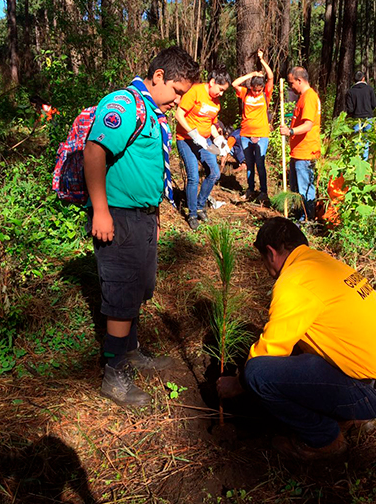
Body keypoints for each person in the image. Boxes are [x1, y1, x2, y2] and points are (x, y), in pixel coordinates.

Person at [216, 217, 376, 460]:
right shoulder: (324, 265)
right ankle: (350, 415)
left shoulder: (294, 281)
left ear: (271, 253)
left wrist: (238, 383)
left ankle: (324, 438)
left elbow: (269, 352)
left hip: (368, 393)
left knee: (257, 373)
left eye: (263, 259)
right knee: (297, 356)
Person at [84, 46, 199, 406]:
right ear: (160, 77)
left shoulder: (155, 113)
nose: (178, 101)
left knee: (137, 289)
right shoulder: (124, 104)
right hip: (117, 216)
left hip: (143, 217)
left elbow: (150, 169)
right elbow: (94, 151)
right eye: (177, 92)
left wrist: (156, 216)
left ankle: (130, 349)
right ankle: (114, 374)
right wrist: (100, 210)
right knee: (120, 294)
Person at [175, 67, 231, 230]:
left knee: (214, 172)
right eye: (220, 89)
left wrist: (219, 140)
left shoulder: (216, 103)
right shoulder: (196, 91)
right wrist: (193, 134)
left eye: (224, 91)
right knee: (193, 176)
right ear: (212, 82)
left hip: (205, 141)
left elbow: (211, 124)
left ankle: (200, 206)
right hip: (186, 139)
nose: (221, 94)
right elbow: (179, 114)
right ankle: (192, 214)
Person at [279, 67, 321, 222]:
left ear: (299, 80)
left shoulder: (309, 97)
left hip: (306, 152)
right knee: (297, 190)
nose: (291, 87)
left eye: (292, 83)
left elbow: (308, 125)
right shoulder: (303, 97)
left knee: (305, 190)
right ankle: (299, 217)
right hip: (298, 152)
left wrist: (290, 131)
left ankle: (307, 220)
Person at [233, 50, 274, 204]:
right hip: (245, 134)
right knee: (249, 164)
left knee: (260, 164)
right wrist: (251, 75)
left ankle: (263, 192)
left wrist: (262, 60)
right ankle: (250, 190)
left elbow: (270, 76)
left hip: (262, 134)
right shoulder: (246, 93)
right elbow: (234, 83)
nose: (257, 93)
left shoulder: (265, 94)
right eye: (255, 90)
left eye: (259, 90)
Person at [345, 70, 376, 160]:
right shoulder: (370, 89)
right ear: (363, 79)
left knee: (357, 141)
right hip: (368, 118)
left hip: (356, 119)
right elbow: (374, 104)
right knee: (366, 140)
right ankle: (365, 160)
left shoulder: (350, 92)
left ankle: (357, 160)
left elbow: (350, 109)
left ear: (354, 80)